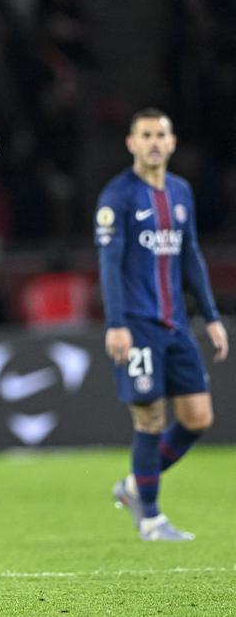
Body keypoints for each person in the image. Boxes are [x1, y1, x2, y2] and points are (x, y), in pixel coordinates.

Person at [95, 108, 228, 541]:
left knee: (198, 418)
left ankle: (135, 485)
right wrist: (116, 323)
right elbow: (109, 264)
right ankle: (151, 519)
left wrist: (210, 316)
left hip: (177, 326)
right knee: (150, 419)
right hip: (137, 327)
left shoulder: (180, 191)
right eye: (146, 135)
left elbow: (190, 257)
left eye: (160, 135)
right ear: (131, 143)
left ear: (172, 143)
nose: (154, 142)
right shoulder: (118, 196)